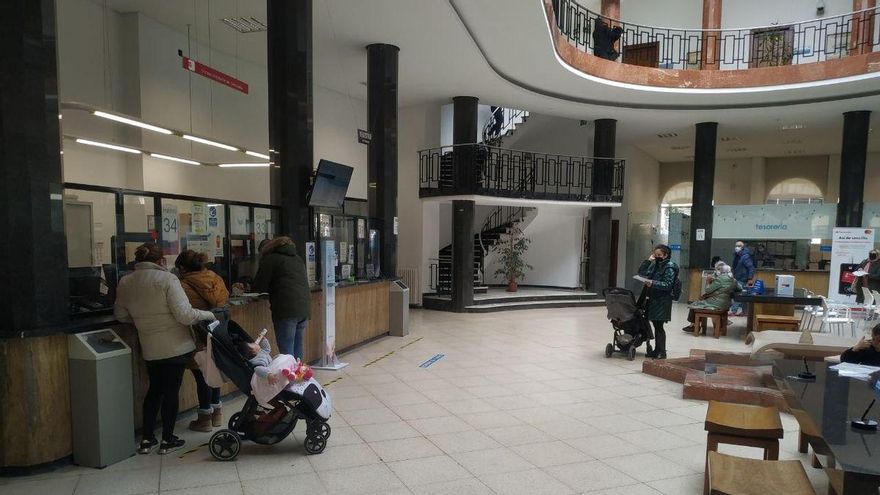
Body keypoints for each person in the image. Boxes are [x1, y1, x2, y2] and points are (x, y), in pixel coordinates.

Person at [114, 243, 216, 455]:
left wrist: (143, 322)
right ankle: (168, 439)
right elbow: (184, 315)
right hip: (175, 347)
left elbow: (121, 315)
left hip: (150, 347)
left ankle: (147, 439)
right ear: (160, 261)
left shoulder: (125, 281)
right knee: (171, 392)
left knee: (154, 391)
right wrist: (208, 315)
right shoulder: (168, 279)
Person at [175, 250, 229, 432]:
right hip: (218, 331)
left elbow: (181, 310)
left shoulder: (182, 285)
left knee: (201, 374)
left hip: (196, 332)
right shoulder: (216, 279)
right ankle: (217, 413)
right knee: (215, 370)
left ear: (182, 268)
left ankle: (205, 417)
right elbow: (224, 299)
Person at [252, 236, 311, 360]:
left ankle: (289, 379)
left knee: (286, 351)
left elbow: (259, 286)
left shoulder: (271, 259)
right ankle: (299, 376)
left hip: (286, 309)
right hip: (304, 309)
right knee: (297, 347)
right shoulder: (297, 258)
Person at [638, 244, 679, 359]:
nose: (656, 257)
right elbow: (642, 272)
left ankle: (662, 352)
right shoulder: (655, 264)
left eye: (659, 255)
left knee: (659, 326)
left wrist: (653, 283)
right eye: (655, 255)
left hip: (662, 300)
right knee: (656, 324)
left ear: (666, 255)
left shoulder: (669, 267)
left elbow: (668, 284)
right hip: (652, 298)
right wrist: (648, 260)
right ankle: (657, 350)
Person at [682, 263, 737, 334]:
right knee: (701, 303)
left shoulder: (719, 279)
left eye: (719, 269)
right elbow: (739, 288)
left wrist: (708, 282)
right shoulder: (733, 280)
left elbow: (708, 290)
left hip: (717, 304)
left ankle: (695, 326)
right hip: (727, 303)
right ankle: (695, 325)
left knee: (695, 305)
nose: (717, 270)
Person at [730, 240, 755, 316]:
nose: (737, 247)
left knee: (738, 294)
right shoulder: (737, 255)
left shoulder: (745, 256)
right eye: (736, 246)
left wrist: (750, 278)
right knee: (744, 295)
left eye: (739, 246)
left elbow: (751, 268)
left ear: (743, 247)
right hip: (737, 277)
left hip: (743, 278)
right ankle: (745, 312)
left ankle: (734, 311)